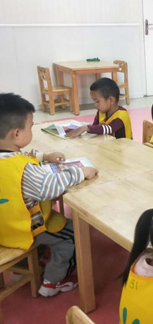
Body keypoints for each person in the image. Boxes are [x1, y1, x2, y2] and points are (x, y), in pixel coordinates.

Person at [0, 93, 98, 297]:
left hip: (4, 226)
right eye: (30, 127)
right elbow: (51, 187)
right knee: (73, 234)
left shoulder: (8, 158)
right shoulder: (23, 169)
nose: (32, 130)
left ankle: (21, 269)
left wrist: (44, 156)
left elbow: (17, 156)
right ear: (17, 134)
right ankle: (52, 282)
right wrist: (81, 172)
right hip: (24, 229)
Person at [66, 78, 133, 139]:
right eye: (94, 101)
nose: (95, 105)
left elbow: (109, 129)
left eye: (97, 101)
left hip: (124, 147)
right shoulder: (101, 112)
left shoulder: (121, 115)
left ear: (111, 100)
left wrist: (85, 128)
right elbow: (95, 127)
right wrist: (77, 130)